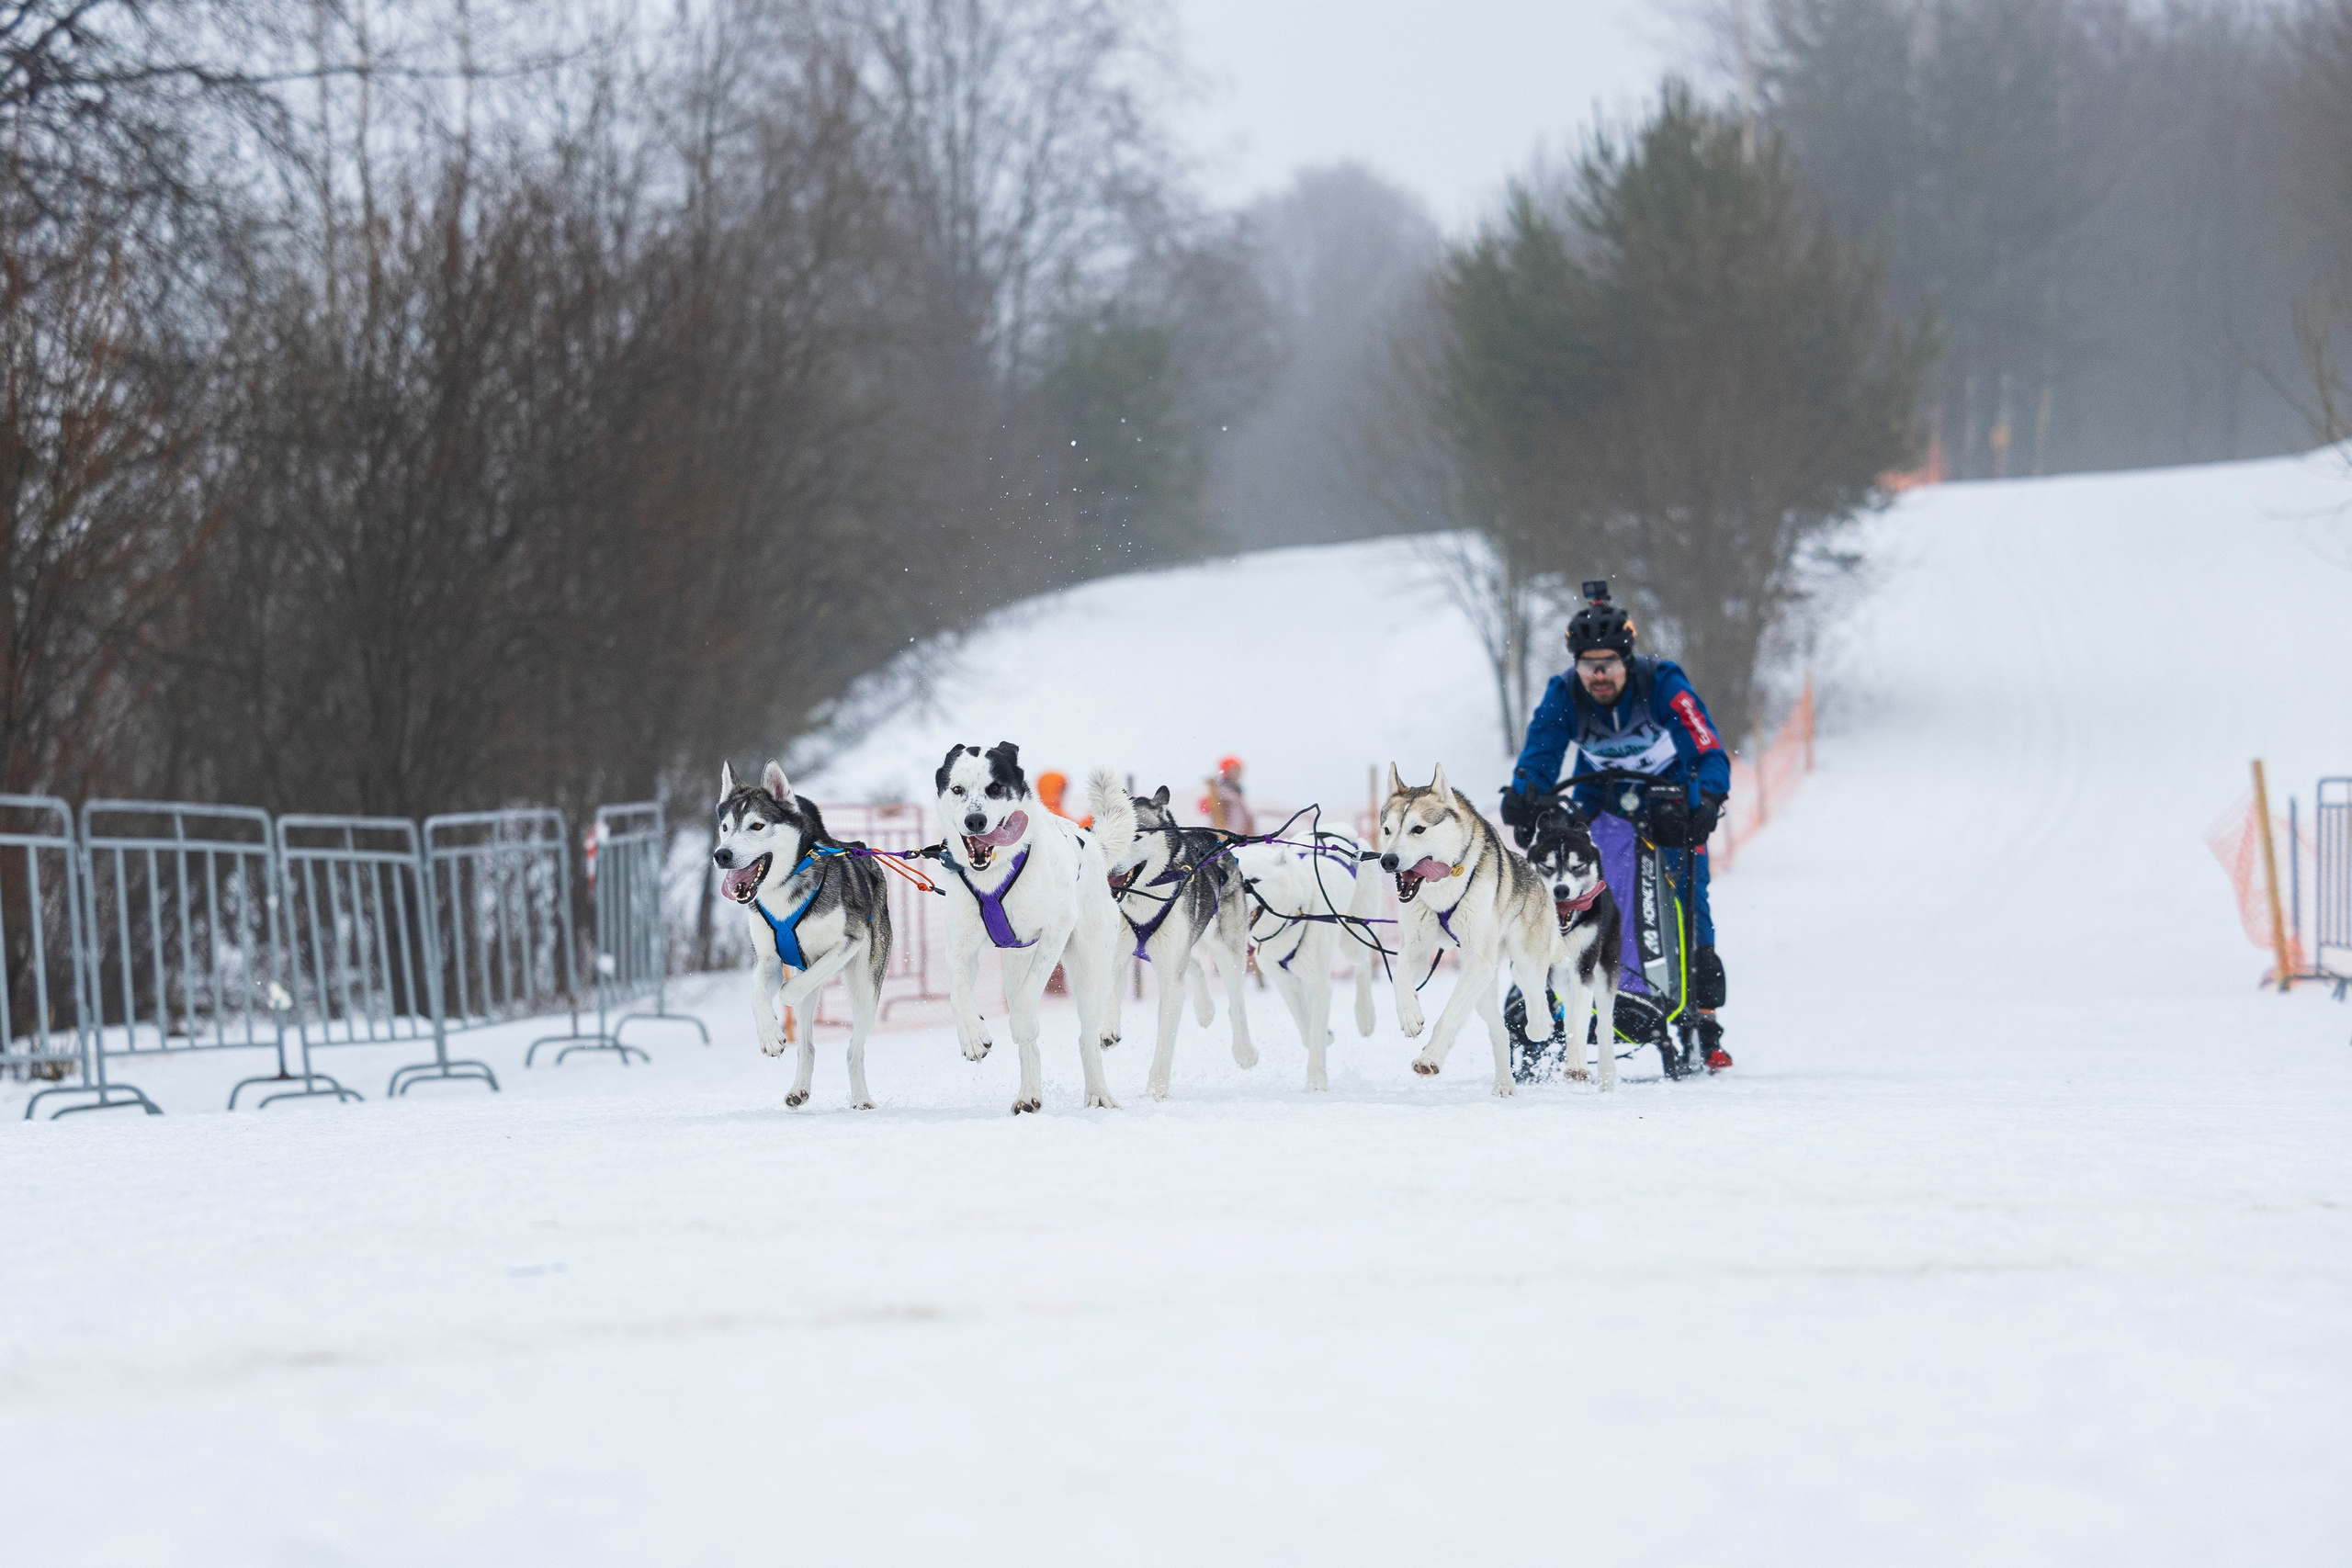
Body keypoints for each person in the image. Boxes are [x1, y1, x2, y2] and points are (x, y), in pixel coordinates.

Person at [1498, 582, 1735, 1071]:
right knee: (1572, 878)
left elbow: (1706, 746)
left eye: (1609, 663)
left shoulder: (1663, 682)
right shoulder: (1563, 693)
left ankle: (1702, 1020)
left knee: (1690, 892)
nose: (1599, 674)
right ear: (1576, 665)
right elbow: (1541, 752)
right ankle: (1554, 984)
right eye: (1589, 664)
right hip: (1599, 795)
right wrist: (1525, 793)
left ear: (1628, 661)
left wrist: (1708, 797)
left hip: (1669, 796)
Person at [1199, 754, 1252, 835]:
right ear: (1226, 771)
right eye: (1233, 770)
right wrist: (1210, 802)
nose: (1237, 773)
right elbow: (1204, 808)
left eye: (1238, 770)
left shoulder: (1237, 792)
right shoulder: (1220, 792)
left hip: (1239, 837)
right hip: (1226, 837)